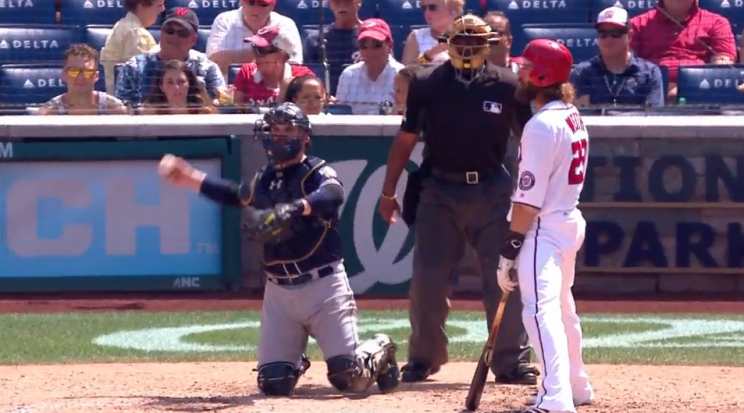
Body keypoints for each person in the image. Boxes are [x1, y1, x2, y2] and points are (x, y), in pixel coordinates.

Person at [157, 102, 401, 397]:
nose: (281, 136)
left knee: (348, 378)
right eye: (275, 130)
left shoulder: (315, 171)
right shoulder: (265, 179)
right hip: (279, 293)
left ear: (305, 137)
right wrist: (191, 178)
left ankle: (381, 348)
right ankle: (291, 360)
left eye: (289, 130)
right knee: (273, 384)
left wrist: (296, 209)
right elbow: (236, 194)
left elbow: (333, 194)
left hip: (323, 286)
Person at [377, 14, 537, 385]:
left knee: (503, 278)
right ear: (448, 42)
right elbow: (405, 139)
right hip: (439, 188)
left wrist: (533, 193)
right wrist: (389, 191)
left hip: (491, 188)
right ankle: (424, 356)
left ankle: (510, 360)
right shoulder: (426, 83)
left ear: (489, 43)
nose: (466, 48)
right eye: (459, 41)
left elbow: (531, 140)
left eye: (473, 41)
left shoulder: (508, 85)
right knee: (427, 279)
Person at [496, 38, 595, 413]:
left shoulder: (541, 125)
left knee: (538, 311)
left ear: (541, 74)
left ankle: (555, 396)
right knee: (562, 308)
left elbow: (527, 200)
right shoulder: (570, 113)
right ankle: (576, 385)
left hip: (544, 227)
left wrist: (510, 247)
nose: (520, 73)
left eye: (526, 68)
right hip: (568, 222)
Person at [116, 7, 225, 107]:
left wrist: (224, 102)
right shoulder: (135, 67)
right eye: (169, 30)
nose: (174, 37)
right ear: (161, 32)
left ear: (193, 40)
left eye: (182, 33)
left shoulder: (207, 68)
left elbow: (222, 107)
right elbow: (122, 109)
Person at [629, 0, 736, 99]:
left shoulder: (717, 22)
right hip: (648, 93)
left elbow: (722, 62)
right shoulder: (637, 24)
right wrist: (660, 89)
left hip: (698, 94)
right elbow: (628, 64)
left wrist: (686, 90)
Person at [571, 7, 664, 107]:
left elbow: (654, 115)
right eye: (603, 33)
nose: (608, 40)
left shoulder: (650, 73)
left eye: (616, 33)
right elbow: (583, 114)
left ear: (630, 36)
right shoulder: (583, 73)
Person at [206, 0, 303, 76]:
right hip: (229, 89)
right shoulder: (224, 21)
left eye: (262, 4)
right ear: (242, 2)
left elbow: (295, 65)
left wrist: (233, 56)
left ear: (273, 5)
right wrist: (261, 54)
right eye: (250, 2)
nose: (256, 9)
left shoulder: (286, 24)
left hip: (274, 90)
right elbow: (213, 61)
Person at [234, 24, 315, 109]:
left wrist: (284, 93)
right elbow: (238, 112)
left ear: (282, 55)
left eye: (260, 50)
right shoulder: (247, 72)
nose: (253, 54)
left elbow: (311, 112)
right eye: (254, 48)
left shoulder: (303, 78)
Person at [335, 19, 404, 114]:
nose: (369, 51)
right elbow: (340, 116)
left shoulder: (402, 76)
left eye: (376, 45)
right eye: (364, 46)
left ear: (390, 45)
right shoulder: (348, 75)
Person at [38, 44, 127, 116]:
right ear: (64, 75)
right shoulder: (49, 113)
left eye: (87, 72)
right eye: (73, 71)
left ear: (96, 76)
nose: (80, 77)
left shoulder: (114, 109)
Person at [100, 0, 164, 94]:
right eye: (159, 5)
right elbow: (140, 80)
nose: (162, 9)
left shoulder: (123, 25)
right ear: (142, 4)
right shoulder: (136, 34)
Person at [303, 0, 365, 95]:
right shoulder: (315, 39)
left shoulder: (372, 37)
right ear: (330, 4)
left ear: (358, 2)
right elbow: (306, 77)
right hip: (325, 101)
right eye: (337, 2)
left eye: (348, 1)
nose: (342, 5)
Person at [141, 59, 214, 115]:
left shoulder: (204, 112)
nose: (176, 87)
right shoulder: (150, 115)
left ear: (189, 84)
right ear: (161, 87)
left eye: (181, 82)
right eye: (170, 82)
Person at [400, 0, 462, 65]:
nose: (427, 13)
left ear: (453, 11)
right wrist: (431, 54)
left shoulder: (466, 35)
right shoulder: (416, 36)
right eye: (424, 8)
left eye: (433, 7)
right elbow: (407, 71)